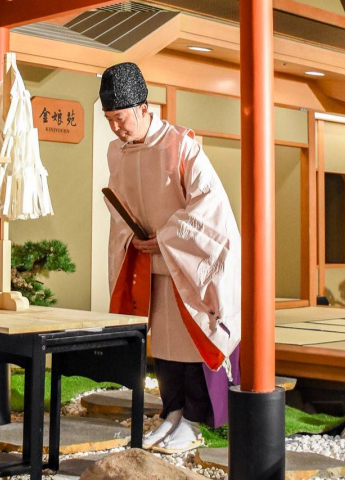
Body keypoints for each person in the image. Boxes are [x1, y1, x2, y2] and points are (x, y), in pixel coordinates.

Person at [101, 62, 241, 454]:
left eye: (121, 118)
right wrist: (134, 234)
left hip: (188, 265)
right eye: (109, 119)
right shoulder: (117, 152)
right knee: (162, 342)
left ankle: (195, 419)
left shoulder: (181, 146)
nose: (116, 127)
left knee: (191, 338)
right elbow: (119, 206)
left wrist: (165, 237)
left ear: (144, 108)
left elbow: (210, 206)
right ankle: (173, 411)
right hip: (150, 264)